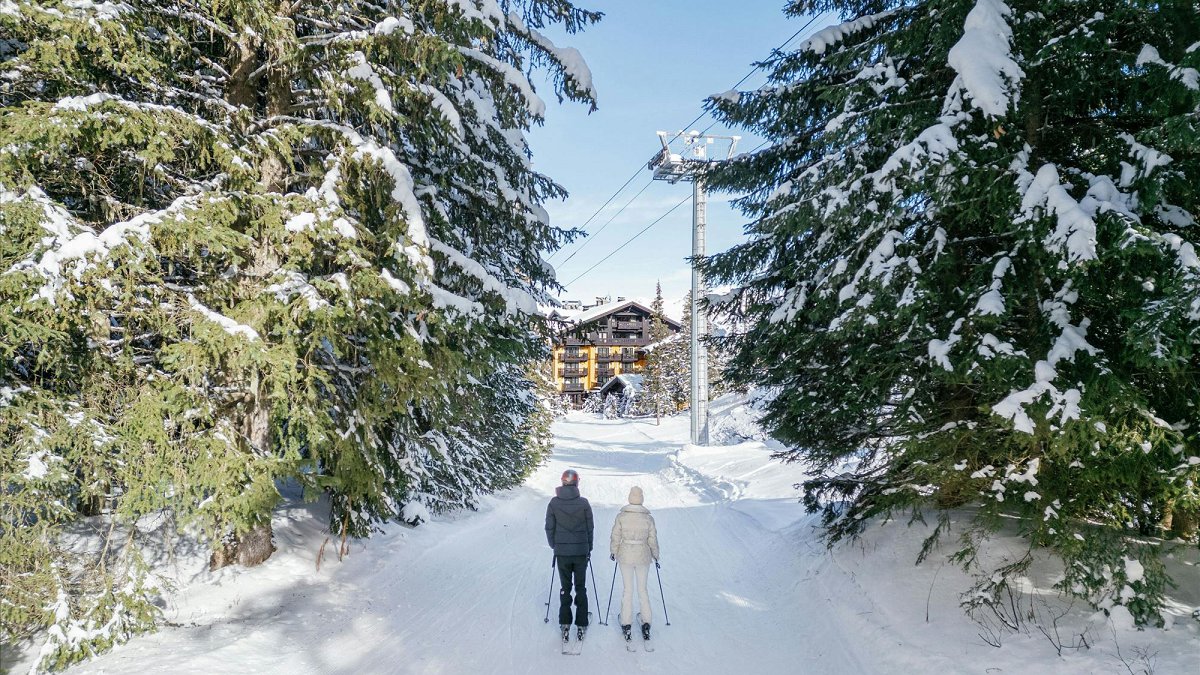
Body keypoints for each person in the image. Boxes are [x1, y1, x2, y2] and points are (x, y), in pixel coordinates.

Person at [545, 468, 594, 642]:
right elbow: (590, 528)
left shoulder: (554, 503)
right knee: (580, 587)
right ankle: (581, 624)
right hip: (580, 552)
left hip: (562, 553)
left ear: (563, 482)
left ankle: (565, 623)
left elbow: (549, 528)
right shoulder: (584, 503)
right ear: (576, 483)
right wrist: (589, 548)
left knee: (565, 587)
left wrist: (555, 546)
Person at [609, 485, 659, 644]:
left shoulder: (621, 516)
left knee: (627, 590)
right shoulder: (648, 518)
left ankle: (626, 623)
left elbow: (615, 535)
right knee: (642, 590)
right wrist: (656, 555)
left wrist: (614, 551)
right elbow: (652, 539)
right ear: (641, 499)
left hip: (625, 556)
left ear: (630, 498)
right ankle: (646, 622)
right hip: (643, 556)